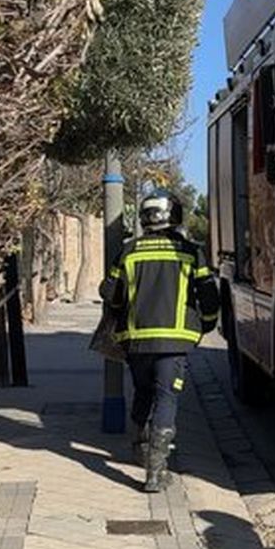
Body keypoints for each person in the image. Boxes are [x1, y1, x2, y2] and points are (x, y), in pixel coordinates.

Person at [99, 192, 219, 492]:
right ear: (175, 215)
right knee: (166, 397)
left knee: (142, 391)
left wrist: (118, 316)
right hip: (174, 342)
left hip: (136, 339)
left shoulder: (128, 252)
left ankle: (139, 448)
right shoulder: (191, 252)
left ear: (144, 217)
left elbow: (111, 294)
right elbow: (208, 294)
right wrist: (208, 323)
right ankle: (155, 471)